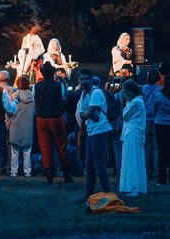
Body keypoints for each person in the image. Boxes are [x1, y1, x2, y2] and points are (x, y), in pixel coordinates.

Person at [77, 69, 112, 204]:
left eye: (86, 78)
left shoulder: (96, 93)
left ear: (91, 79)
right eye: (82, 79)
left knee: (99, 164)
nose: (84, 81)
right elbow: (82, 114)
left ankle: (106, 193)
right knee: (89, 164)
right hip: (92, 130)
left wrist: (90, 114)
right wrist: (90, 114)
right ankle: (88, 194)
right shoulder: (84, 95)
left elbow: (90, 112)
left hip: (100, 130)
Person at [34, 61, 72, 184]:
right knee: (61, 146)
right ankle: (66, 174)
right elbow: (62, 98)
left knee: (45, 148)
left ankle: (49, 176)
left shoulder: (36, 86)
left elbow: (36, 102)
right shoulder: (58, 85)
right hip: (56, 117)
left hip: (41, 118)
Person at [118, 79, 147, 196]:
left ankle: (134, 187)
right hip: (133, 132)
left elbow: (125, 115)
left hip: (132, 133)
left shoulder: (135, 102)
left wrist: (125, 103)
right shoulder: (138, 101)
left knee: (132, 160)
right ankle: (135, 186)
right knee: (133, 159)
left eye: (124, 92)